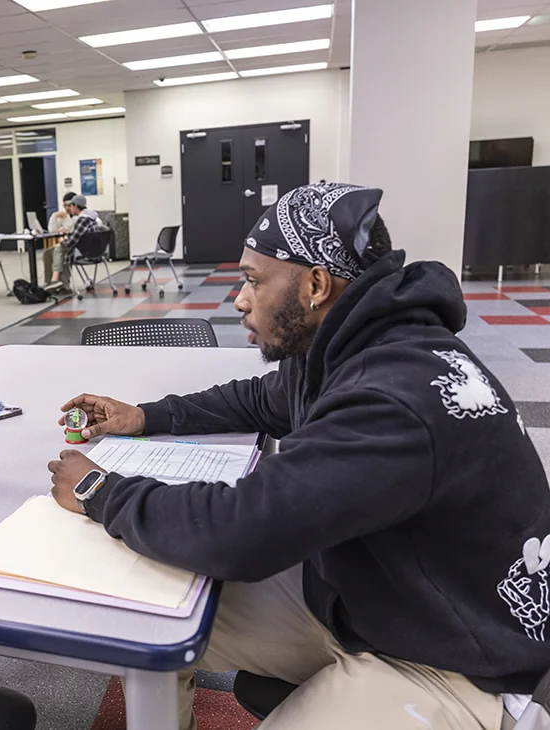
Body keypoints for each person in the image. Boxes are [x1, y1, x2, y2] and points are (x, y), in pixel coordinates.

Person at [48, 182, 550, 730]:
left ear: (315, 284)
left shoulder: (394, 395)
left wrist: (100, 490)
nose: (239, 299)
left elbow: (240, 532)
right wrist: (142, 416)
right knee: (151, 619)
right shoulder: (356, 344)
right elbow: (261, 399)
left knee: (191, 562)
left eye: (253, 280)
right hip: (375, 596)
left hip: (454, 660)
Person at [45, 194, 103, 293]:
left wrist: (62, 239)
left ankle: (56, 281)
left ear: (75, 206)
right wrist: (55, 217)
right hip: (94, 251)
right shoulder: (91, 216)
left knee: (60, 248)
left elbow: (70, 243)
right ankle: (55, 282)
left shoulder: (83, 219)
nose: (69, 208)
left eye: (70, 206)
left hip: (83, 252)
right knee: (50, 252)